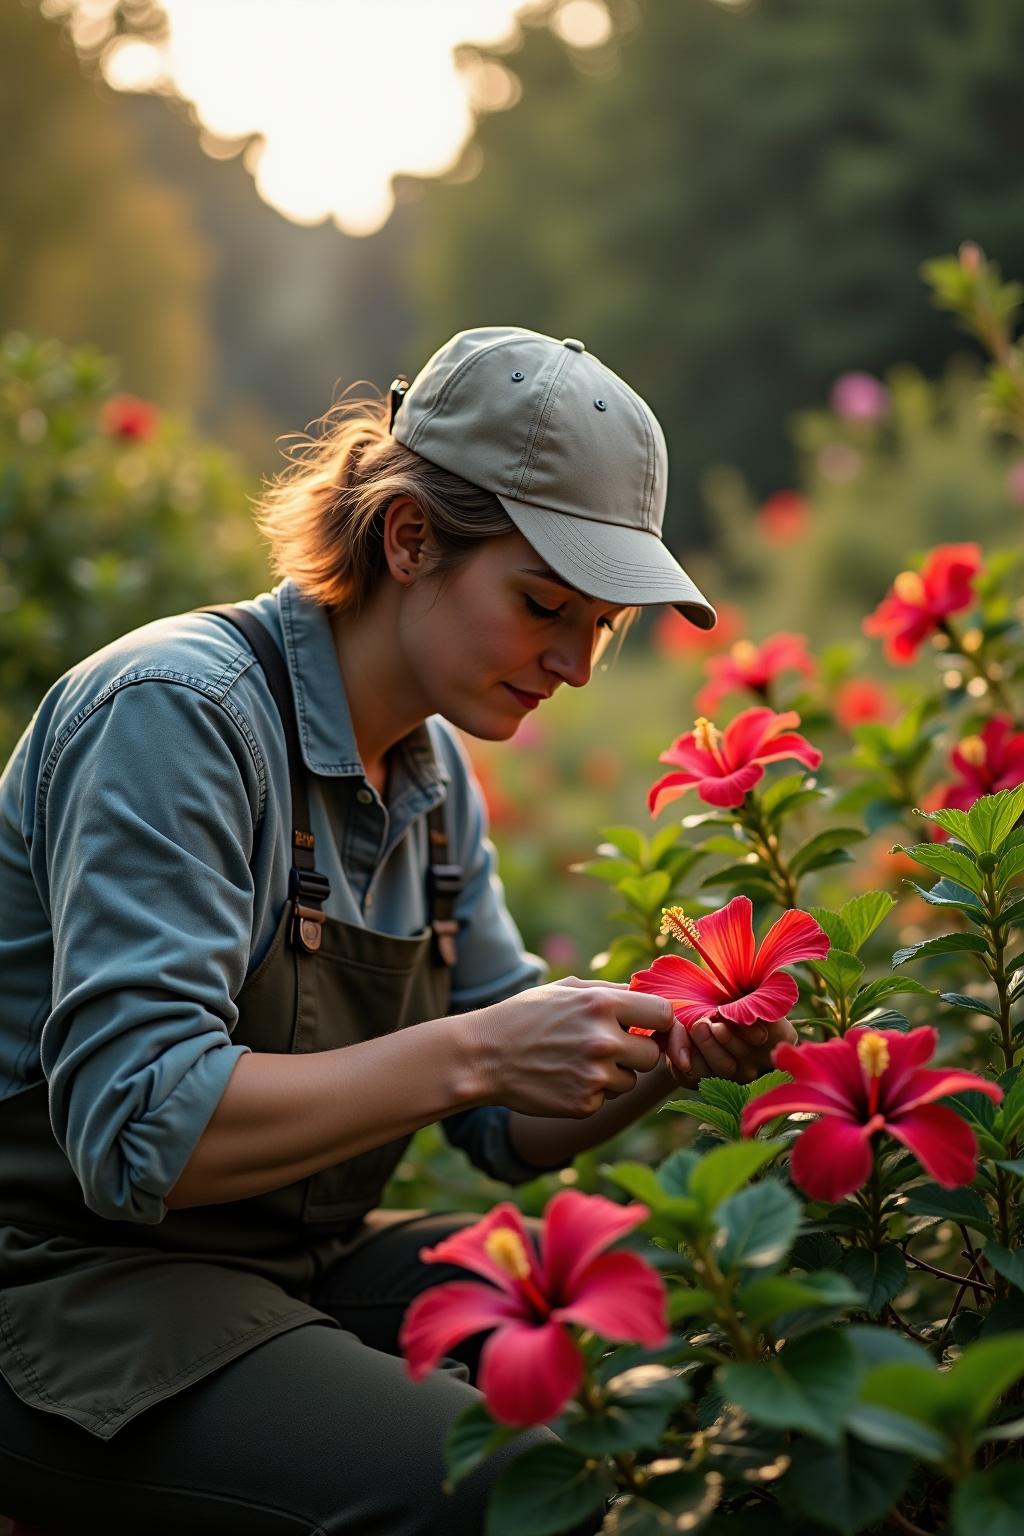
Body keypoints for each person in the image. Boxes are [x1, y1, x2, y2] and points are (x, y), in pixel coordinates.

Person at [0, 327, 793, 1534]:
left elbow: (500, 1131)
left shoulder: (429, 777)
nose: (577, 663)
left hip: (276, 1271)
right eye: (545, 605)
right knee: (501, 1483)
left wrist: (659, 1041)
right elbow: (139, 1127)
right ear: (408, 536)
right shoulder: (176, 716)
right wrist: (478, 1047)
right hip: (63, 1293)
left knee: (673, 1337)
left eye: (605, 627)